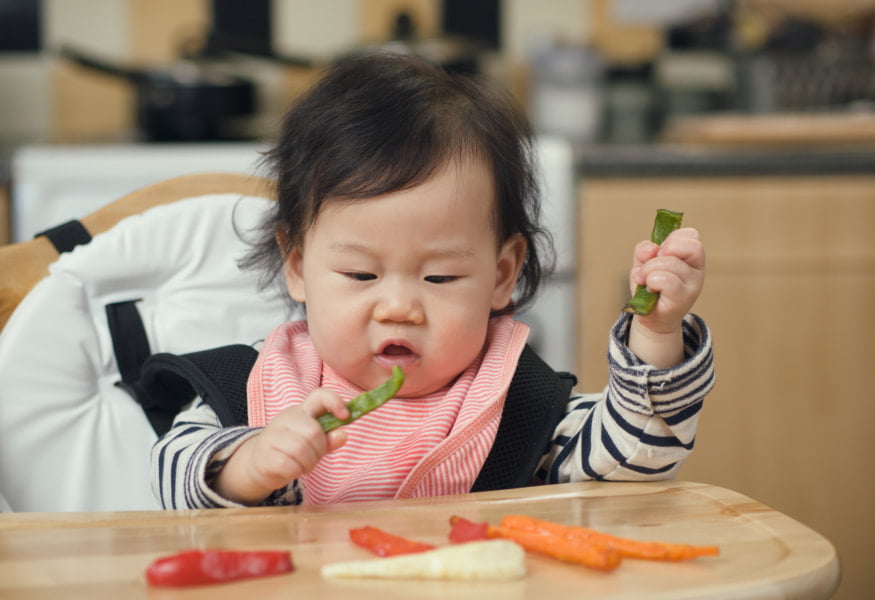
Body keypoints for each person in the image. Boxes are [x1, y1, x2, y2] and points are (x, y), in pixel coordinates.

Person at [151, 53, 714, 509]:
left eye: (440, 276)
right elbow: (172, 468)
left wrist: (657, 334)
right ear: (297, 267)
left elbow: (635, 458)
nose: (399, 306)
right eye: (360, 274)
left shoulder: (518, 407)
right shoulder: (257, 387)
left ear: (501, 275)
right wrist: (246, 466)